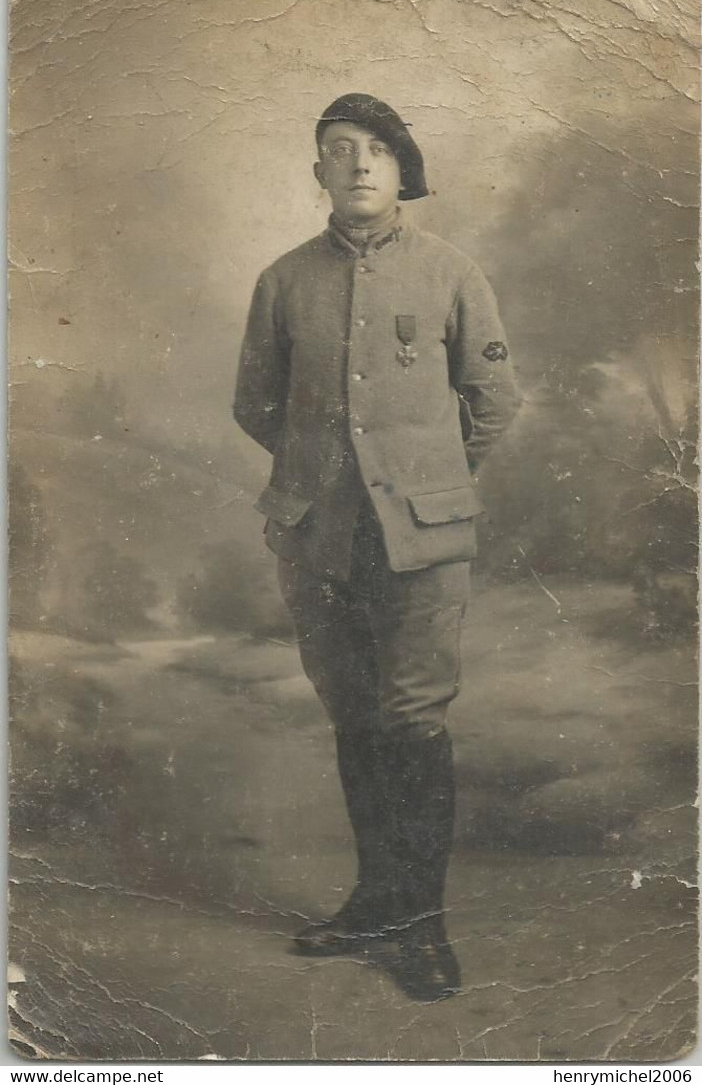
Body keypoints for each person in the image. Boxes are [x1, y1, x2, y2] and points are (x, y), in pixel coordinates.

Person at [234, 93, 522, 1002]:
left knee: (414, 719)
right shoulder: (282, 281)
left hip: (423, 540)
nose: (359, 164)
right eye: (338, 149)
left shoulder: (451, 272)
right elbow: (255, 405)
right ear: (317, 171)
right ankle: (373, 907)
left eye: (377, 151)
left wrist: (428, 477)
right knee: (356, 718)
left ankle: (420, 925)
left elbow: (495, 401)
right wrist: (326, 475)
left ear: (404, 170)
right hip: (320, 535)